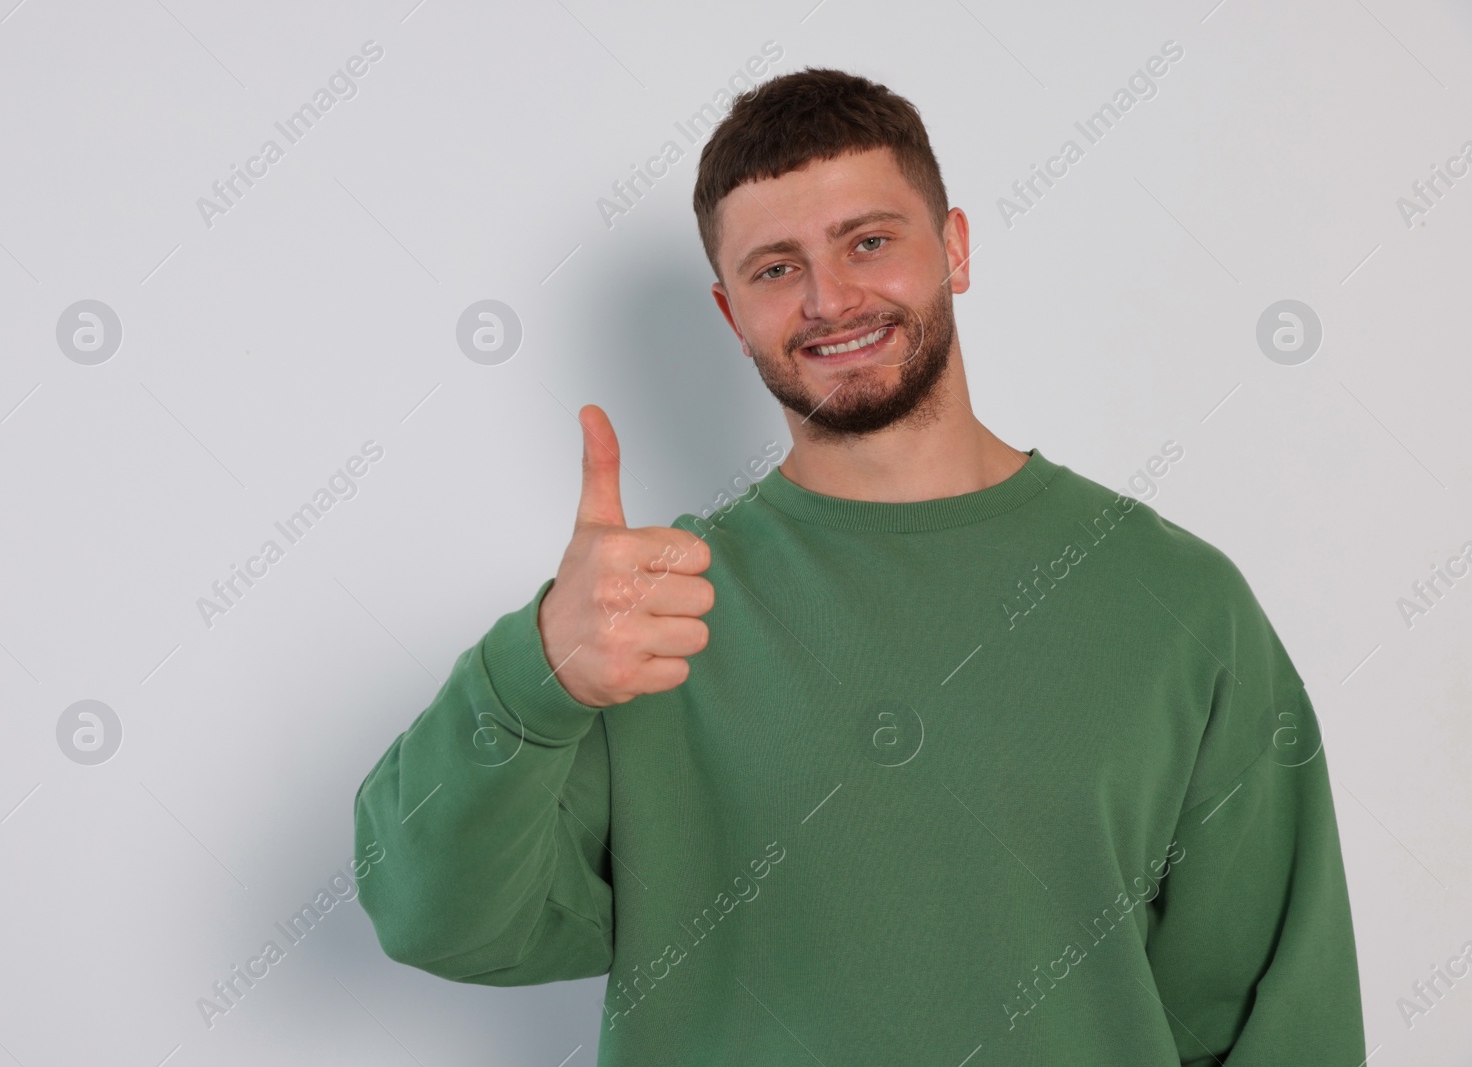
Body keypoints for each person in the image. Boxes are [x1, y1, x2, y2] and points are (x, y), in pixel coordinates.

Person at [353, 67, 1365, 1065]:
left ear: (954, 248)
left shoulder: (1176, 602)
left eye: (868, 242)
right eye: (775, 268)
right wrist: (536, 676)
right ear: (728, 313)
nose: (830, 298)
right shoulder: (641, 623)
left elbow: (1275, 1021)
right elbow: (429, 915)